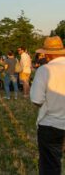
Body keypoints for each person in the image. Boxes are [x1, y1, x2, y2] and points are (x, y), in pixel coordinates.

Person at [30, 36, 65, 175]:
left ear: (49, 54)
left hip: (50, 125)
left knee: (50, 166)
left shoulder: (45, 70)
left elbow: (36, 100)